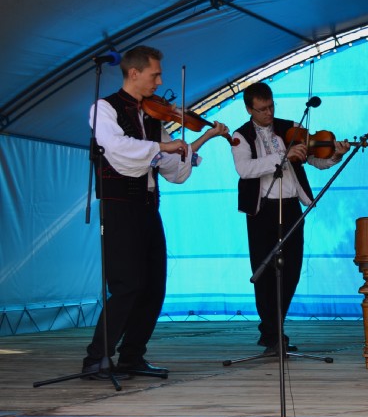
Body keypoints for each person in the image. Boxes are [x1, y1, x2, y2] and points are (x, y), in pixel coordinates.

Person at [83, 45, 230, 379]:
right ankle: (96, 358)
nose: (160, 81)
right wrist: (163, 145)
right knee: (126, 285)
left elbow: (171, 167)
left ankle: (132, 356)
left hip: (148, 208)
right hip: (118, 207)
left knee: (153, 286)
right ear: (134, 73)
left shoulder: (152, 116)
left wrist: (201, 138)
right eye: (155, 75)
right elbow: (117, 148)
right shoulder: (103, 108)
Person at [232, 82, 349, 355]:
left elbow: (317, 161)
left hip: (291, 206)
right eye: (262, 109)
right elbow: (245, 169)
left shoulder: (291, 128)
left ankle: (274, 329)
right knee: (265, 272)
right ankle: (272, 334)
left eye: (271, 106)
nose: (269, 113)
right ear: (249, 109)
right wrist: (282, 156)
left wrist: (336, 154)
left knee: (291, 270)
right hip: (262, 211)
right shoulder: (240, 136)